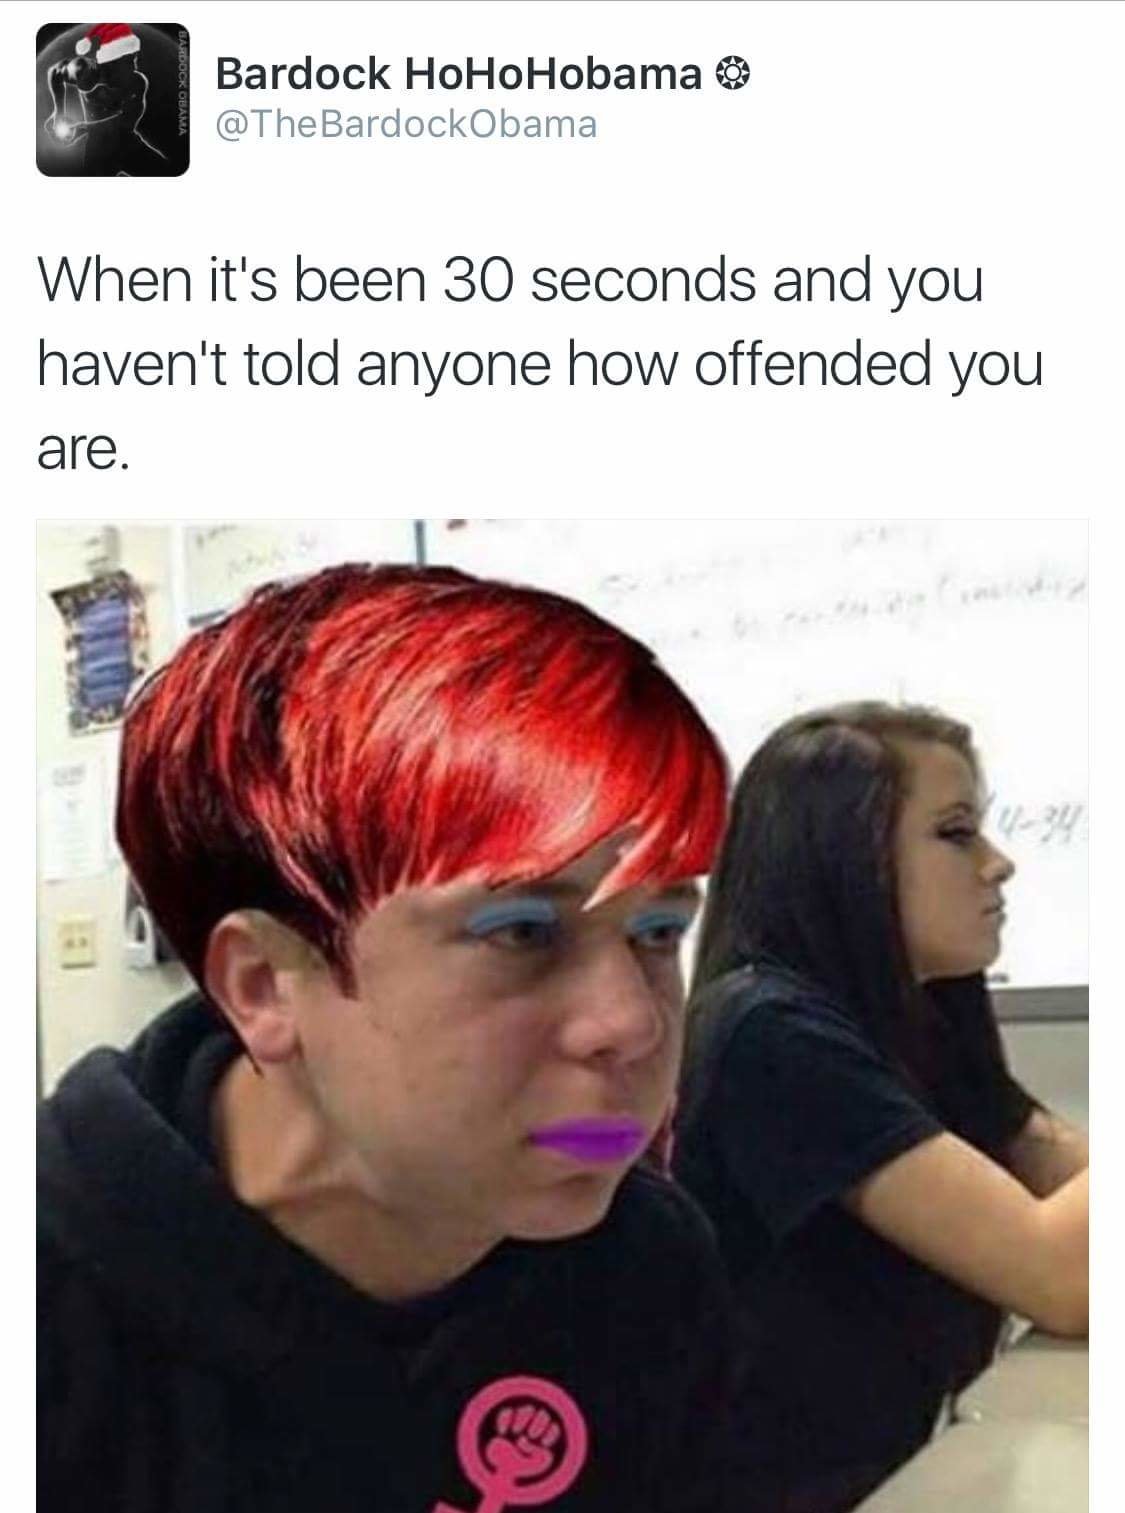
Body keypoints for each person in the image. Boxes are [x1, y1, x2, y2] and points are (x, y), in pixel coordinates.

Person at [39, 563, 738, 1513]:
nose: (633, 1023)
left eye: (657, 931)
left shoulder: (645, 1271)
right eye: (521, 932)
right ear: (263, 985)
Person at [672, 702, 1088, 1513]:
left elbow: (1064, 1184)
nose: (998, 864)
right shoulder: (767, 1030)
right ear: (844, 856)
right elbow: (1060, 1276)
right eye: (956, 832)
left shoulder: (914, 1017)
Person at [45, 24, 167, 176]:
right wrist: (59, 112)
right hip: (98, 153)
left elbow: (126, 121)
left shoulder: (137, 81)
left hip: (128, 144)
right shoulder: (87, 71)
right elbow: (56, 71)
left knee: (167, 173)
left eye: (134, 56)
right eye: (130, 58)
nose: (135, 62)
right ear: (114, 60)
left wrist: (84, 128)